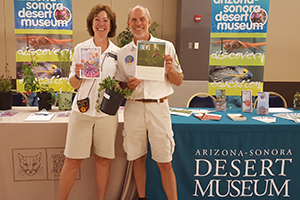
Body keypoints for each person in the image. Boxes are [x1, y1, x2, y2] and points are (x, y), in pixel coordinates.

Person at [115, 5, 184, 200]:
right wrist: (127, 84)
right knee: (137, 159)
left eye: (142, 19)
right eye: (134, 20)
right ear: (128, 24)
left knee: (165, 162)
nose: (138, 24)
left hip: (158, 108)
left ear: (149, 22)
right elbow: (119, 85)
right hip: (134, 108)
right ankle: (142, 198)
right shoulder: (123, 53)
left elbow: (178, 81)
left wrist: (170, 69)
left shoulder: (165, 47)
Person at [58, 4, 119, 200]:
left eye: (105, 20)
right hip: (82, 112)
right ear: (91, 24)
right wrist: (77, 73)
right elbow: (73, 84)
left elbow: (122, 84)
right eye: (97, 20)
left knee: (103, 160)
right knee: (72, 161)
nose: (101, 24)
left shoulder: (118, 53)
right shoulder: (81, 49)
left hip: (106, 115)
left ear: (110, 26)